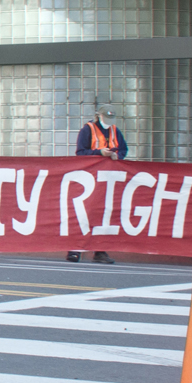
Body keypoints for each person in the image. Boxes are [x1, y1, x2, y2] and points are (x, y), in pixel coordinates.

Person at [70, 105, 127, 264]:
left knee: (104, 213)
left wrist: (117, 156)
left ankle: (100, 250)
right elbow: (81, 153)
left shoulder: (115, 131)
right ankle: (75, 248)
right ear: (98, 116)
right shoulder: (88, 130)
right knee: (85, 213)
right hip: (90, 178)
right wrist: (99, 153)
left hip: (108, 178)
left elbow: (124, 149)